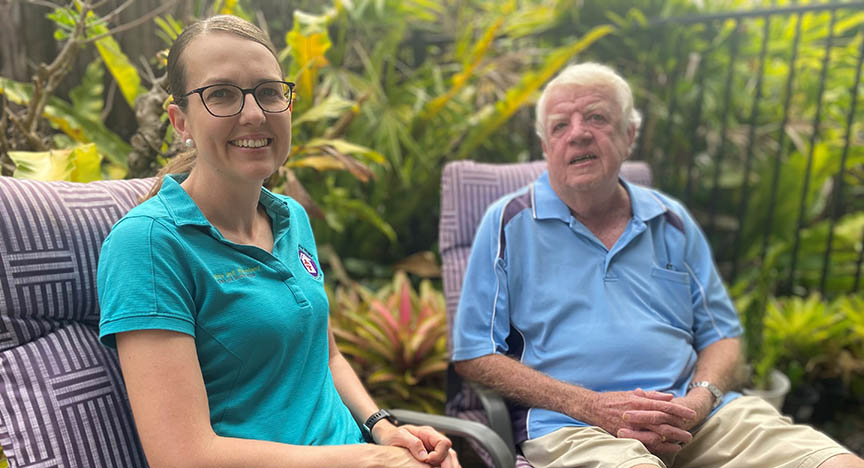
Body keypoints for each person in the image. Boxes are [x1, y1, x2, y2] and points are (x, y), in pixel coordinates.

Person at [451, 62, 863, 468]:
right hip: (575, 426)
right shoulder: (508, 223)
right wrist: (591, 405)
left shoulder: (671, 220)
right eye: (560, 125)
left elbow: (722, 336)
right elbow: (474, 353)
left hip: (697, 417)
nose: (577, 133)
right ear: (546, 148)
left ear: (629, 135)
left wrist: (699, 400)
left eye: (596, 117)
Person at [97, 15, 459, 468]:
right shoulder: (149, 244)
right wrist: (372, 462)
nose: (254, 113)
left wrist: (385, 428)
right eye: (221, 94)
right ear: (179, 120)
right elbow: (182, 455)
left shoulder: (290, 217)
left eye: (269, 91)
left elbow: (325, 356)